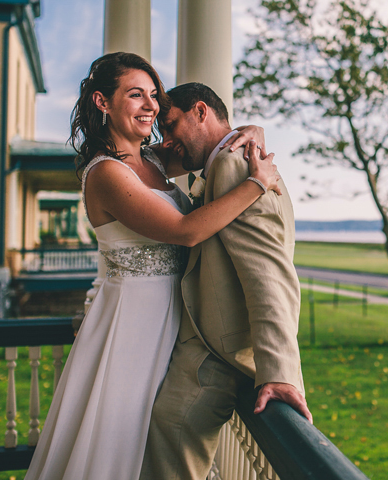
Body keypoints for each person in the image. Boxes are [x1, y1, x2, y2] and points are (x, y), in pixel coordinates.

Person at [24, 53, 279, 480]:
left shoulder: (156, 160)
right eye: (136, 95)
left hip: (173, 321)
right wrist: (257, 184)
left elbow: (210, 144)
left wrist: (248, 130)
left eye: (154, 97)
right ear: (103, 102)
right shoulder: (106, 172)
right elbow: (185, 230)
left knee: (154, 437)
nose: (151, 107)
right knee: (118, 439)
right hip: (131, 327)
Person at [141, 83, 311, 480]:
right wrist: (251, 127)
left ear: (201, 111)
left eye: (171, 125)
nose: (167, 141)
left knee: (172, 435)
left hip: (217, 353)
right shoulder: (226, 157)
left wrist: (280, 371)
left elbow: (268, 270)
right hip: (206, 340)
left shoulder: (234, 164)